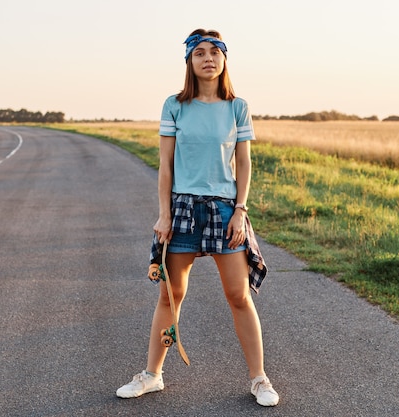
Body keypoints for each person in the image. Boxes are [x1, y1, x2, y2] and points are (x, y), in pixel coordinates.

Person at [116, 28, 279, 407]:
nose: (208, 59)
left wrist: (240, 211)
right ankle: (152, 375)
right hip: (183, 210)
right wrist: (163, 214)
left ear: (224, 60)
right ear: (189, 62)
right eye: (199, 53)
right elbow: (165, 166)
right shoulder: (174, 105)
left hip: (224, 210)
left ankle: (259, 379)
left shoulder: (237, 107)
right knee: (171, 296)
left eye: (214, 53)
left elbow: (244, 163)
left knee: (239, 296)